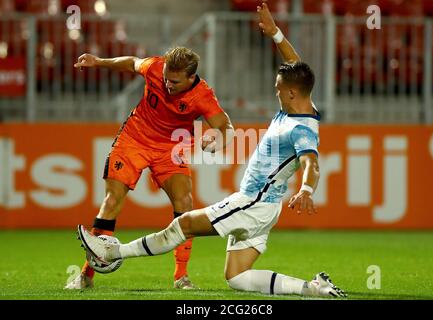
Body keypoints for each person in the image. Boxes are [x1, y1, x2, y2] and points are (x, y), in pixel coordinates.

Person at [76, 2, 347, 298]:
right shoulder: (302, 106)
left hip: (254, 202)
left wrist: (307, 189)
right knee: (237, 277)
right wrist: (276, 34)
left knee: (184, 224)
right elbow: (296, 69)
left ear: (292, 92)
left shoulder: (301, 129)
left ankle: (113, 253)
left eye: (278, 87)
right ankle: (313, 288)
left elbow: (312, 163)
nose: (275, 89)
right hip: (266, 210)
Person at [65, 46, 234, 290]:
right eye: (166, 78)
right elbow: (131, 62)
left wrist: (217, 141)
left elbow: (225, 126)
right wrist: (99, 61)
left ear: (190, 78)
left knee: (185, 204)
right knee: (112, 201)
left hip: (170, 149)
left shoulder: (203, 96)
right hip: (134, 138)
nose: (167, 84)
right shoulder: (155, 66)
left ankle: (181, 276)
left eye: (174, 81)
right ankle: (85, 275)